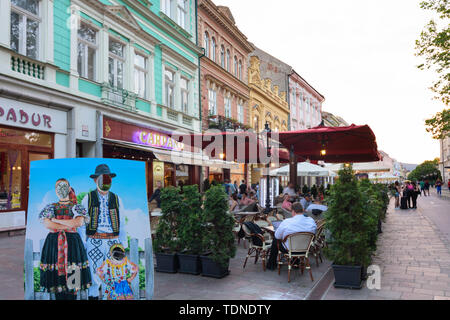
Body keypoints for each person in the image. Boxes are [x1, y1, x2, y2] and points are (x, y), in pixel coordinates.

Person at [39, 178, 92, 299]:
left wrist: (56, 220)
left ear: (69, 188)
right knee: (58, 282)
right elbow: (48, 224)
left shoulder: (77, 207)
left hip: (72, 244)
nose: (61, 189)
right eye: (58, 186)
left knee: (73, 274)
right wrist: (68, 224)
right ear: (56, 191)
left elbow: (78, 223)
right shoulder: (50, 206)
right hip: (54, 244)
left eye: (63, 186)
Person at [80, 164, 127, 300]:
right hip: (94, 240)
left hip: (113, 241)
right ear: (96, 180)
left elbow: (122, 222)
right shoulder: (87, 198)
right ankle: (93, 297)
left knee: (113, 274)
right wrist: (83, 242)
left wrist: (122, 243)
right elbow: (82, 222)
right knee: (94, 274)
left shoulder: (117, 199)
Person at [266, 202, 316, 270]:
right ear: (302, 210)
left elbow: (277, 236)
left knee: (275, 240)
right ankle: (295, 262)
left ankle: (271, 264)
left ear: (293, 212)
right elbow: (314, 234)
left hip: (289, 249)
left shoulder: (287, 222)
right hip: (305, 248)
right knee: (297, 241)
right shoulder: (311, 221)